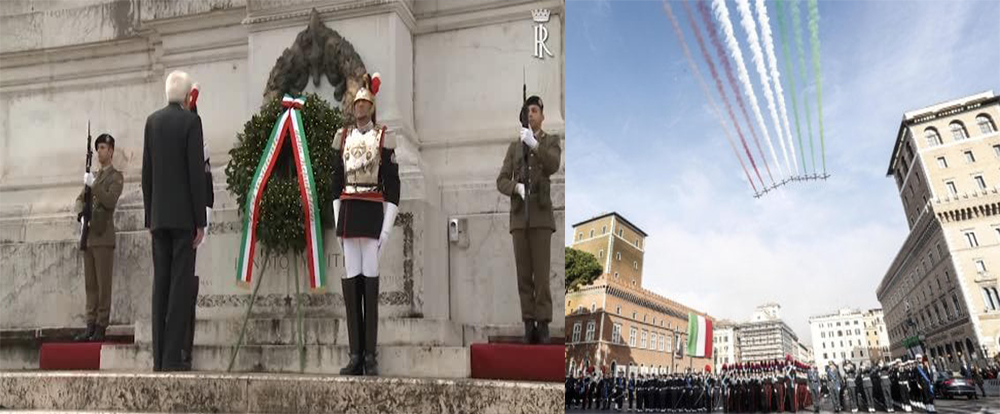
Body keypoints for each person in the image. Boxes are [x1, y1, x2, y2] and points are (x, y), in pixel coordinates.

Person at [332, 73, 400, 376]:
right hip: (348, 214)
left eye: (364, 102)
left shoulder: (384, 137)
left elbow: (393, 186)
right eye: (356, 103)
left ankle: (371, 355)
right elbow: (336, 183)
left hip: (372, 213)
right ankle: (355, 353)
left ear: (371, 106)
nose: (360, 108)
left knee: (370, 282)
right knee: (351, 282)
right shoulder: (342, 138)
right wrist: (336, 223)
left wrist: (387, 227)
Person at [142, 70, 207, 371]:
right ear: (185, 95)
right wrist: (200, 219)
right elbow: (195, 174)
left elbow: (146, 176)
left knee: (161, 287)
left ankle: (158, 357)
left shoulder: (152, 122)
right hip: (183, 219)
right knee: (180, 288)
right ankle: (171, 355)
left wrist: (149, 217)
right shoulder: (190, 122)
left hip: (159, 218)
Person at [495, 95, 561, 344]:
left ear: (542, 116)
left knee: (541, 276)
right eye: (527, 111)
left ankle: (543, 324)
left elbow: (553, 164)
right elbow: (501, 180)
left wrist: (534, 144)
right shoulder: (514, 147)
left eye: (535, 110)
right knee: (524, 275)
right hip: (519, 218)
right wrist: (516, 188)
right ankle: (528, 323)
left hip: (541, 217)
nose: (531, 114)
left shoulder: (550, 141)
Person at [72, 133, 124, 342]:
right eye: (98, 148)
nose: (100, 151)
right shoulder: (92, 176)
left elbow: (110, 200)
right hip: (90, 237)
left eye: (103, 147)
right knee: (90, 285)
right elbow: (78, 200)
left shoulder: (116, 177)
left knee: (103, 285)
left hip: (103, 237)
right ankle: (90, 325)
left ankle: (102, 325)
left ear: (111, 151)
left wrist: (93, 185)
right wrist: (80, 215)